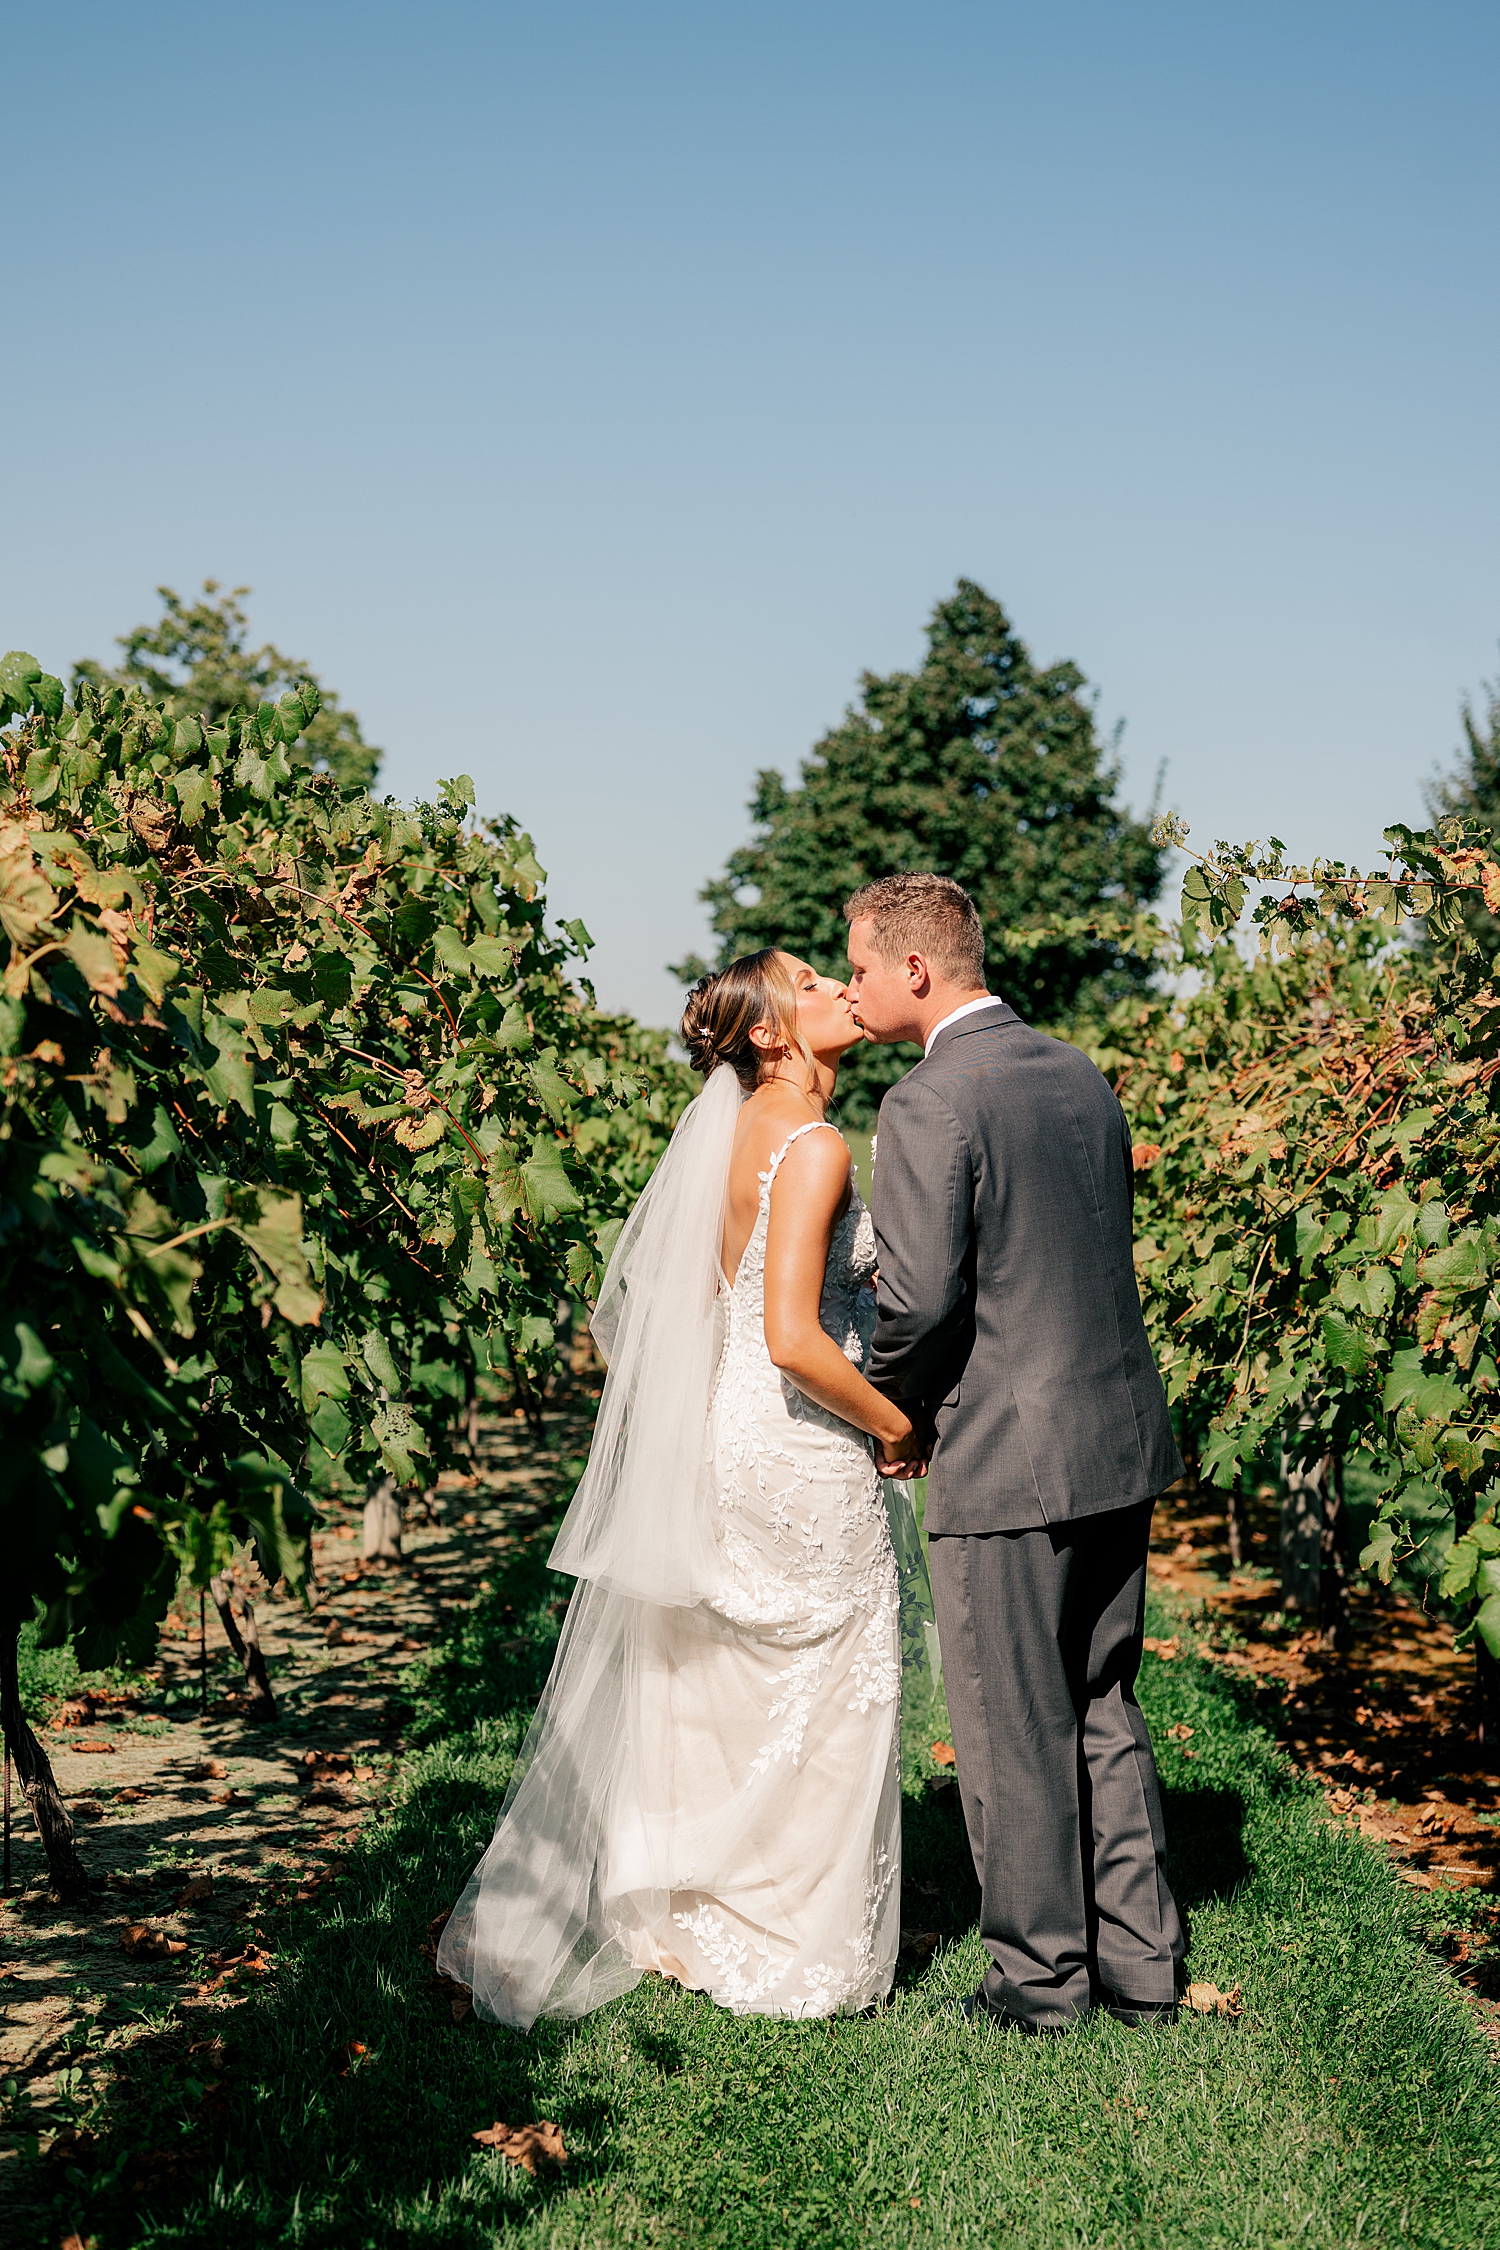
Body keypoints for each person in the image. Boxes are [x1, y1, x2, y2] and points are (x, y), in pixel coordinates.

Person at [438, 948, 931, 2026]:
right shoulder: (810, 1145)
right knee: (832, 1678)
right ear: (767, 1035)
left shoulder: (733, 1143)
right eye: (812, 985)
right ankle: (798, 1947)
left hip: (729, 1434)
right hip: (796, 1442)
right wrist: (900, 1424)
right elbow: (796, 1341)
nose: (841, 992)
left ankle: (694, 1914)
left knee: (729, 1679)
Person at [845, 871, 1186, 2032]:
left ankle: (1040, 1989)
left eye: (857, 966)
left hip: (1006, 1449)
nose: (850, 989)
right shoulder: (1077, 1071)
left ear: (915, 969)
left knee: (1007, 1723)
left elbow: (924, 1302)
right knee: (1101, 1698)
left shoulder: (927, 1101)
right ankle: (1143, 1971)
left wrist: (891, 1413)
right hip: (1117, 1435)